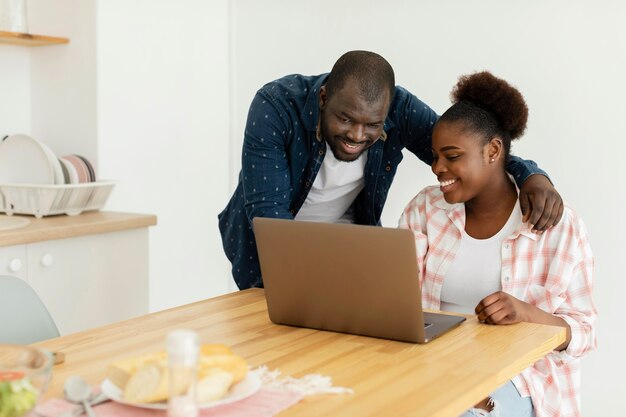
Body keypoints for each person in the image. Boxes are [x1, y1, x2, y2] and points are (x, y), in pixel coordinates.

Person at [219, 50, 564, 290]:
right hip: (271, 249)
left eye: (372, 125)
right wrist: (302, 288)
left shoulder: (400, 108)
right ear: (323, 97)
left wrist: (531, 175)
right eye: (345, 118)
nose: (357, 135)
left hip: (348, 242)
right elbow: (269, 218)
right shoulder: (276, 106)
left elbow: (465, 150)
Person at [398, 71, 596, 417]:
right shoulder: (425, 210)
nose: (437, 168)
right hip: (432, 364)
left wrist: (526, 314)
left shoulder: (557, 225)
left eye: (452, 156)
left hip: (522, 375)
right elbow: (397, 301)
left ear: (493, 150)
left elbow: (585, 333)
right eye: (434, 156)